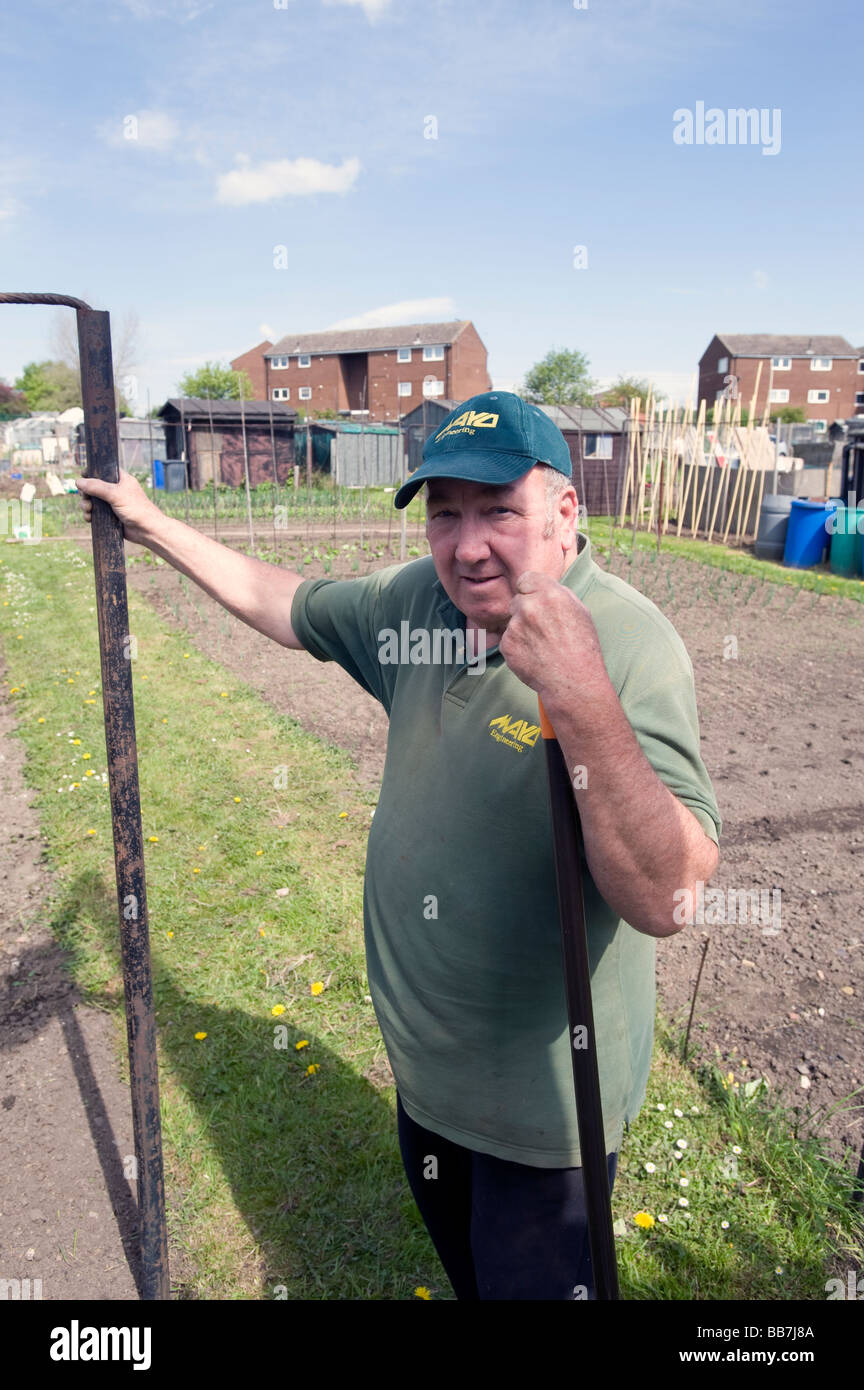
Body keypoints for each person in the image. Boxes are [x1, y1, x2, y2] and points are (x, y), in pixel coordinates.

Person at [77, 389, 721, 1301]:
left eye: (498, 510)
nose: (466, 546)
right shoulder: (417, 603)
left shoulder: (627, 643)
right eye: (444, 514)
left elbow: (671, 895)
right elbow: (285, 601)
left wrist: (581, 698)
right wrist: (152, 526)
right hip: (427, 1083)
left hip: (545, 1120)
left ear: (563, 510)